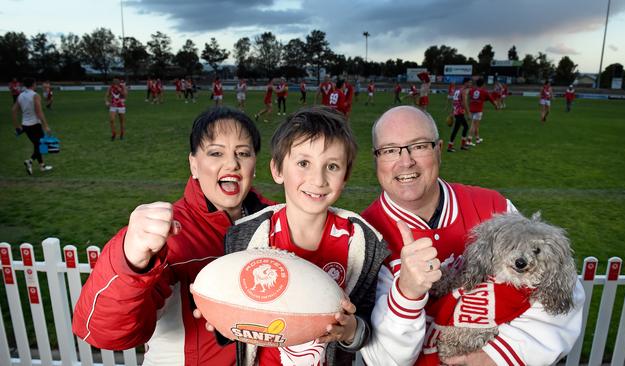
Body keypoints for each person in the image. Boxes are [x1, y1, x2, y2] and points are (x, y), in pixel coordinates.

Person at [359, 105, 585, 366]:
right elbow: (383, 359)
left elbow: (561, 290)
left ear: (439, 149)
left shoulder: (494, 208)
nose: (406, 161)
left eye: (419, 146)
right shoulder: (364, 238)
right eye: (389, 150)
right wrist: (407, 293)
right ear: (376, 159)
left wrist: (499, 356)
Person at [72, 106, 275, 366]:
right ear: (194, 164)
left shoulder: (278, 222)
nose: (232, 163)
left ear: (254, 164)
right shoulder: (169, 234)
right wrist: (131, 258)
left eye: (243, 153)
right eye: (216, 152)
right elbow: (101, 331)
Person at [223, 106, 389, 365]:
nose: (318, 179)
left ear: (345, 176)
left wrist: (351, 330)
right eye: (303, 163)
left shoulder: (362, 243)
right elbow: (234, 323)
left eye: (332, 166)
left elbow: (368, 327)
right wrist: (219, 318)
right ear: (277, 169)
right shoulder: (245, 236)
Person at [11, 77, 53, 175]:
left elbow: (13, 111)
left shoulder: (20, 95)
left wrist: (17, 127)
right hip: (35, 124)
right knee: (42, 145)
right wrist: (46, 126)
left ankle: (42, 166)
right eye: (35, 84)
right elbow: (39, 111)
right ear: (33, 84)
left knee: (37, 145)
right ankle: (29, 161)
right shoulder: (35, 95)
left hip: (25, 125)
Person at [467, 78, 498, 146]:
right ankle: (469, 140)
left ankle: (477, 139)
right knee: (473, 125)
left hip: (471, 109)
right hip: (478, 110)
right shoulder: (484, 92)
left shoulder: (472, 90)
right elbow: (491, 100)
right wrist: (496, 106)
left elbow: (470, 98)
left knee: (476, 125)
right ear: (483, 84)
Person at [447, 77, 472, 152]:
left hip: (457, 112)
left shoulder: (457, 90)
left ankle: (462, 145)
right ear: (466, 83)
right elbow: (464, 103)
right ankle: (450, 147)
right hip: (459, 112)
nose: (470, 84)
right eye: (469, 82)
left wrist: (452, 111)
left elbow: (454, 101)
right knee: (456, 129)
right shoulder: (463, 91)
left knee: (465, 127)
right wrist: (468, 114)